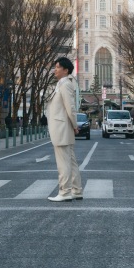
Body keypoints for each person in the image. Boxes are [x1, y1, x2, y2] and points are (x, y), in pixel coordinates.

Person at [46, 56, 83, 202]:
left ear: (65, 70)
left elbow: (70, 107)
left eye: (57, 67)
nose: (55, 70)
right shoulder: (62, 84)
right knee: (71, 161)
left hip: (62, 128)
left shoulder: (65, 84)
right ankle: (76, 190)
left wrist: (74, 125)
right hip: (63, 127)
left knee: (63, 163)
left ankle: (65, 191)